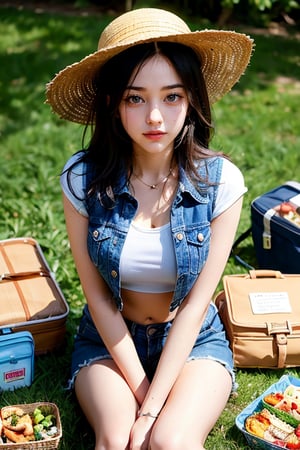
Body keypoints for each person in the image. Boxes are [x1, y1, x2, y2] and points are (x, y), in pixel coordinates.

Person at [46, 7, 253, 450]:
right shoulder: (82, 179)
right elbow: (98, 299)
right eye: (136, 98)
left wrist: (155, 412)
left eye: (172, 96)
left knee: (171, 442)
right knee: (119, 441)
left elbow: (198, 305)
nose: (155, 117)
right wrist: (143, 400)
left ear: (192, 99)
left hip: (194, 339)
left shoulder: (221, 184)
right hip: (109, 338)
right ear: (112, 102)